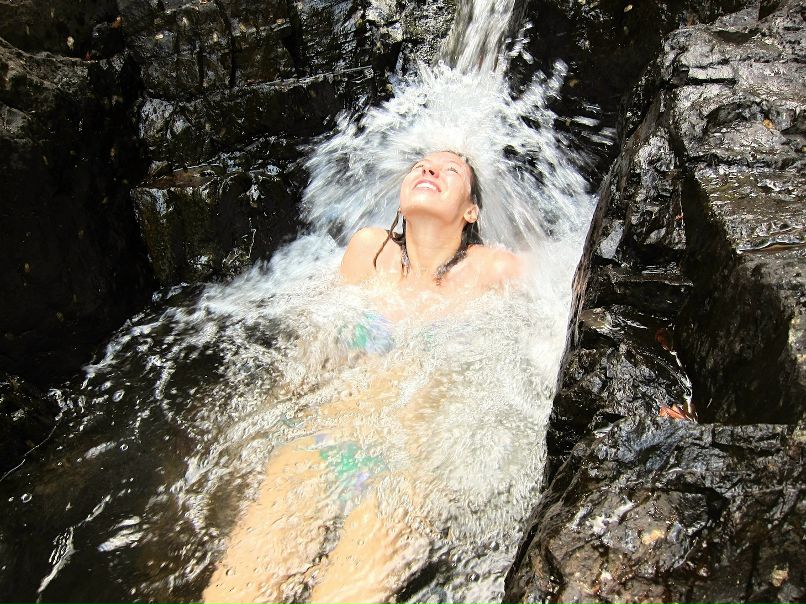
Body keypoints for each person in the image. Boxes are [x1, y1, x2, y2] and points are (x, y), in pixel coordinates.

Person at [203, 151, 523, 604]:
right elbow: (316, 352)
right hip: (328, 441)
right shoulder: (370, 250)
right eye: (420, 166)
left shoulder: (491, 269)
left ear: (471, 211)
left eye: (450, 170)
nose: (429, 170)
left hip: (412, 464)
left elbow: (556, 291)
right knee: (238, 590)